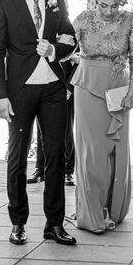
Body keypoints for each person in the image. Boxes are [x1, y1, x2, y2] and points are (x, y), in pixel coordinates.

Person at [0, 0, 77, 246]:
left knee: (56, 156)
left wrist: (54, 50)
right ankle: (18, 223)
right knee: (18, 158)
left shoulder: (57, 0)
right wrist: (0, 95)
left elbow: (69, 37)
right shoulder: (3, 2)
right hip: (19, 91)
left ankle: (55, 224)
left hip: (54, 88)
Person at [71, 0, 133, 233]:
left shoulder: (129, 20)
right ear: (95, 0)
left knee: (115, 149)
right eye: (103, 5)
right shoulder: (84, 18)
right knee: (92, 151)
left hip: (118, 88)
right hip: (88, 86)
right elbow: (65, 44)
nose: (109, 11)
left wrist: (131, 92)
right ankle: (91, 212)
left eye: (114, 5)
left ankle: (113, 208)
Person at [27, 50, 79, 186]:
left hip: (65, 88)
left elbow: (79, 62)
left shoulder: (70, 31)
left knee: (66, 129)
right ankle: (40, 170)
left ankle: (68, 171)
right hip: (43, 86)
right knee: (41, 130)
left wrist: (68, 87)